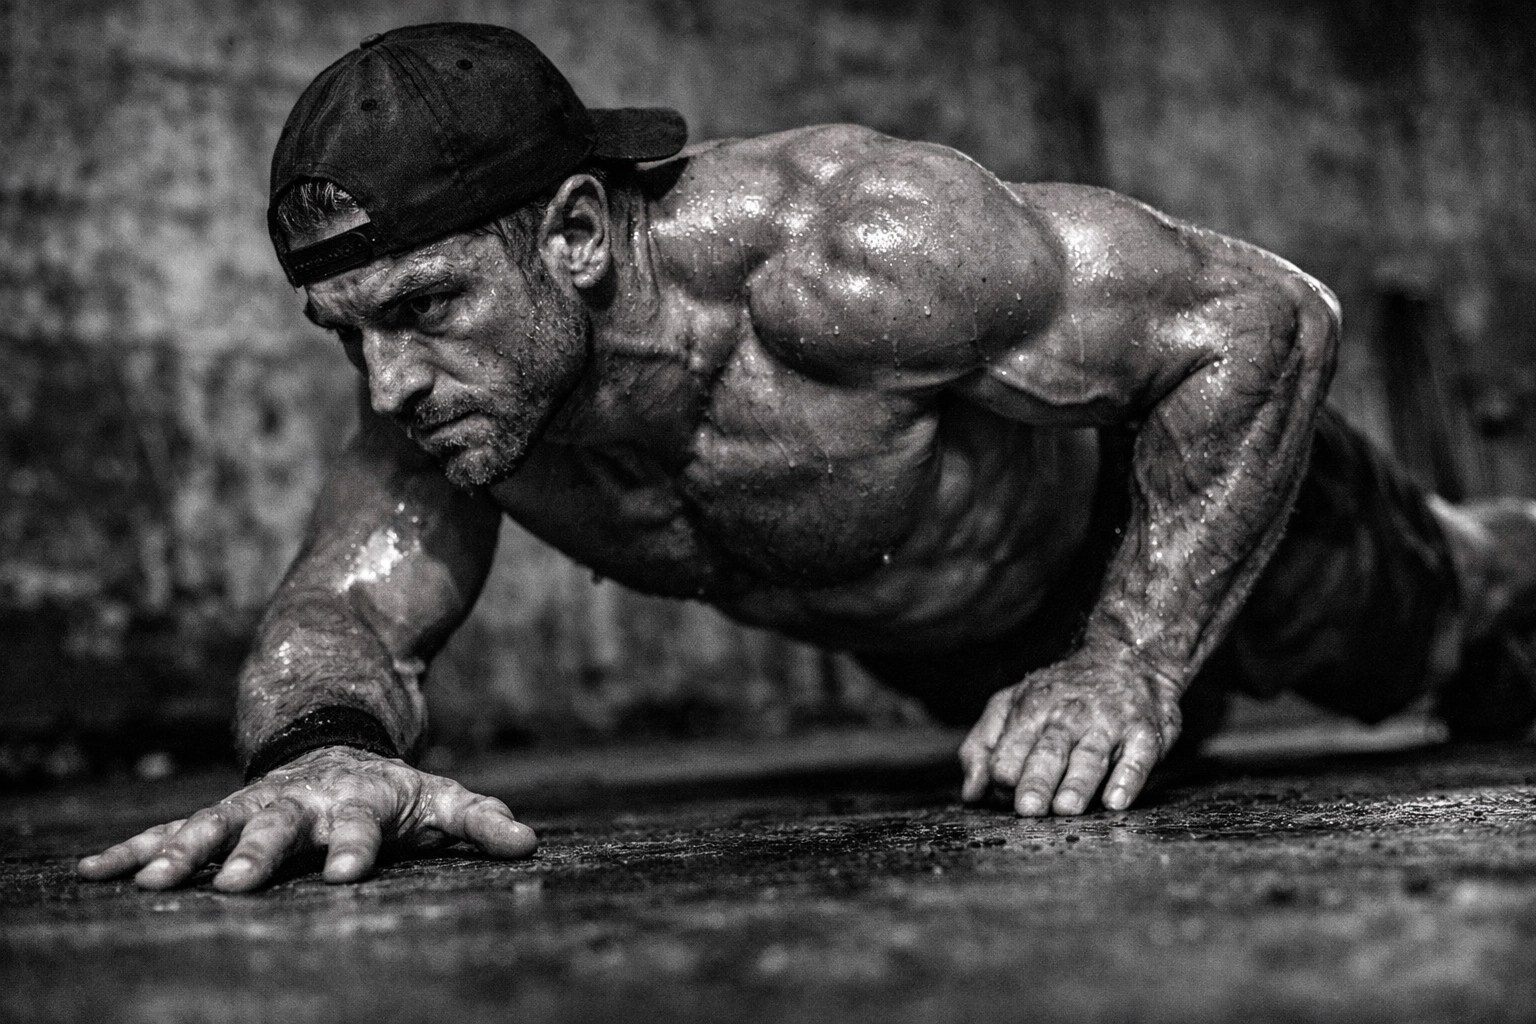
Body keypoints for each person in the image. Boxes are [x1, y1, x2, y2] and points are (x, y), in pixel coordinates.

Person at [78, 23, 1536, 893]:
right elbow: (341, 611)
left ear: (574, 234)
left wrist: (1131, 660)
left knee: (1468, 635)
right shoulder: (466, 412)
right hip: (988, 680)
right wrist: (322, 755)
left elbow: (1259, 320)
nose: (387, 381)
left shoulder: (846, 246)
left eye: (423, 308)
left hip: (1167, 528)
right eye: (348, 333)